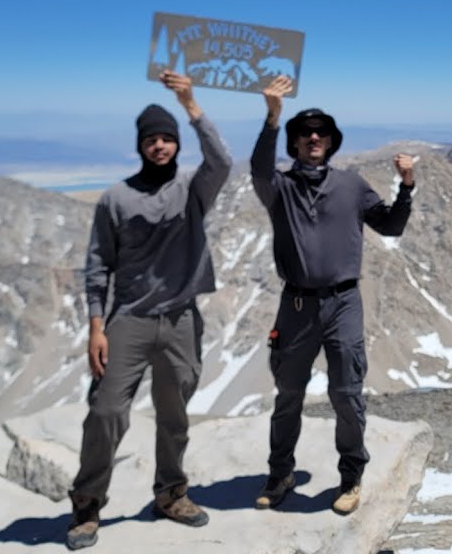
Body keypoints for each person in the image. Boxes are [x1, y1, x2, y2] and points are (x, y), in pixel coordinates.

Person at [66, 71, 232, 550]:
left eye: (166, 138)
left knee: (174, 414)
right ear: (139, 146)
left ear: (176, 144)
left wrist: (190, 105)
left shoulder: (192, 191)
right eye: (151, 140)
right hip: (129, 323)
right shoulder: (116, 199)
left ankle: (171, 494)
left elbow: (221, 160)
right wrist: (96, 328)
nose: (159, 146)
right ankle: (86, 507)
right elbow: (97, 266)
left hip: (181, 319)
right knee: (106, 412)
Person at [249, 75, 415, 516]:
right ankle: (280, 473)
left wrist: (407, 186)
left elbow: (391, 225)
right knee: (288, 394)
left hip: (343, 303)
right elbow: (259, 170)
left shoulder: (352, 185)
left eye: (321, 132)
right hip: (297, 305)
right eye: (304, 133)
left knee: (346, 393)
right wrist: (272, 115)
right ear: (295, 143)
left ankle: (351, 477)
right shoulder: (279, 189)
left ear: (332, 141)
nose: (314, 137)